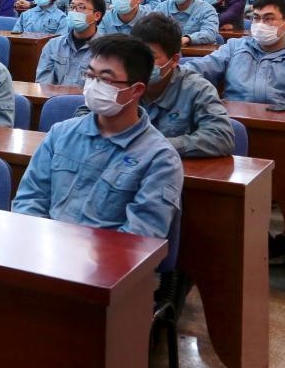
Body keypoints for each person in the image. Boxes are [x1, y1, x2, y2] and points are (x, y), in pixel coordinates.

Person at [183, 0, 285, 249]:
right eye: (257, 18)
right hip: (233, 127)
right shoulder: (235, 47)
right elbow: (202, 67)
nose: (260, 25)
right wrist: (172, 73)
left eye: (269, 19)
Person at [12, 34, 183, 239]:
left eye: (106, 79)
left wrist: (76, 252)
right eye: (90, 75)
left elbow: (140, 237)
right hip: (45, 247)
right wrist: (41, 243)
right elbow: (29, 199)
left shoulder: (160, 159)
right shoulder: (60, 134)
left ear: (136, 90)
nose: (93, 85)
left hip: (108, 257)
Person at [93, 14, 235, 157]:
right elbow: (87, 115)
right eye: (135, 55)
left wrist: (154, 146)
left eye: (150, 57)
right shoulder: (121, 80)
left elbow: (221, 137)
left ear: (174, 60)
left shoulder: (197, 89)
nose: (140, 63)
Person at [36, 0, 105, 84]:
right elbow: (43, 84)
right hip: (55, 94)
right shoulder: (53, 45)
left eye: (81, 7)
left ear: (97, 16)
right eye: (72, 7)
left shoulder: (105, 50)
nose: (74, 12)